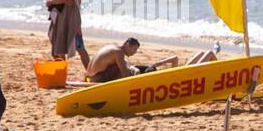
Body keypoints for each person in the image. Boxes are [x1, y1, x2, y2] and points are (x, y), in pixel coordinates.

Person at [85, 38, 216, 83]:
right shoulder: (118, 53)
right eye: (134, 50)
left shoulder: (112, 47)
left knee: (204, 53)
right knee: (209, 53)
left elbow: (175, 59)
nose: (134, 53)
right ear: (128, 45)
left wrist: (157, 64)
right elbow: (124, 74)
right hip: (98, 79)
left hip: (91, 76)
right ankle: (217, 78)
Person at [46, 0, 89, 69]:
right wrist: (60, 0)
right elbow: (62, 0)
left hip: (72, 21)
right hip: (60, 20)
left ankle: (91, 73)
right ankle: (61, 72)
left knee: (80, 47)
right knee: (58, 48)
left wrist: (50, 1)